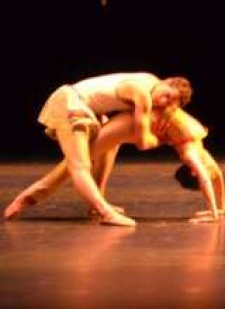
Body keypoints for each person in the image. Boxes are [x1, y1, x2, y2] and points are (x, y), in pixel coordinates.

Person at [8, 73, 191, 226]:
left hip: (89, 109)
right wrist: (165, 139)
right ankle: (105, 212)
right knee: (80, 165)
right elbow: (142, 142)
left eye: (169, 103)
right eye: (167, 95)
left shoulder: (151, 81)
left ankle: (96, 204)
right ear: (166, 81)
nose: (162, 102)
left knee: (112, 145)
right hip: (72, 103)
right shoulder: (142, 93)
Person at [4, 104, 225, 224]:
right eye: (202, 174)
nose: (210, 172)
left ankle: (96, 203)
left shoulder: (204, 154)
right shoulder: (191, 155)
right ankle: (25, 198)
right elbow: (208, 179)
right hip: (129, 126)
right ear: (194, 172)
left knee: (104, 155)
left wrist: (221, 208)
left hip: (133, 126)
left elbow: (216, 177)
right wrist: (214, 214)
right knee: (73, 165)